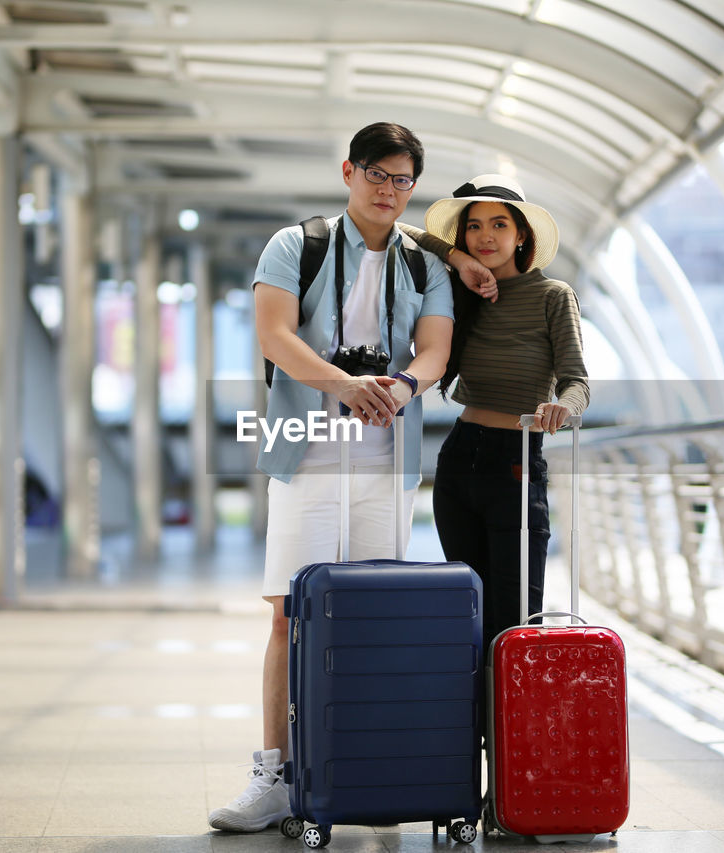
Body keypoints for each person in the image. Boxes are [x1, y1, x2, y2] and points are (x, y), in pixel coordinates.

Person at [207, 123, 490, 833]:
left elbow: (435, 349)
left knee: (374, 615)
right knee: (286, 614)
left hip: (385, 462)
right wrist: (345, 382)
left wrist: (398, 387)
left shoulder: (424, 263)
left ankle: (363, 761)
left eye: (402, 180)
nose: (388, 190)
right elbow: (275, 336)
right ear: (348, 171)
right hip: (303, 449)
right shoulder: (294, 245)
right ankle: (273, 775)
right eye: (377, 174)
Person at [408, 174, 590, 649]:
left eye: (499, 225)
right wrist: (460, 262)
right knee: (463, 610)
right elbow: (399, 231)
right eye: (473, 227)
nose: (485, 236)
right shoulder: (460, 291)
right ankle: (468, 726)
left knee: (514, 619)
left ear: (522, 233)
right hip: (459, 459)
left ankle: (510, 724)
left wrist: (562, 406)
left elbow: (577, 381)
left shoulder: (553, 297)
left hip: (517, 464)